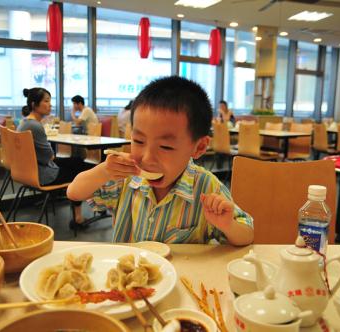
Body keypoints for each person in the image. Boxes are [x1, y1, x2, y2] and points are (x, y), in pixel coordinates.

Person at [67, 76, 254, 245]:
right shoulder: (126, 178)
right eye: (138, 141)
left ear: (198, 147)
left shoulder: (206, 186)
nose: (147, 158)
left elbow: (247, 234)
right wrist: (104, 171)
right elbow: (74, 192)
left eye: (166, 147)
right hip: (129, 278)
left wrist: (228, 225)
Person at [18, 88, 94, 229]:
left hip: (29, 172)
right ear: (34, 104)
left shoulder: (23, 123)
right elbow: (50, 156)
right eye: (46, 101)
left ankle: (88, 206)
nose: (50, 104)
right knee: (82, 172)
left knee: (77, 162)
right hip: (44, 174)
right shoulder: (35, 126)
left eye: (50, 101)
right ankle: (78, 218)